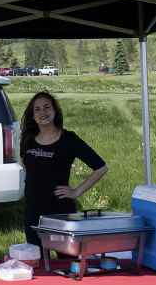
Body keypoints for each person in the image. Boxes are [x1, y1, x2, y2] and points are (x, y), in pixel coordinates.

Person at [19, 91, 108, 254]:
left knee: (66, 262)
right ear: (33, 115)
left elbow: (101, 167)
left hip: (60, 213)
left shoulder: (68, 139)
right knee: (36, 261)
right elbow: (23, 159)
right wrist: (34, 181)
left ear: (55, 111)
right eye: (37, 109)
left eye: (47, 107)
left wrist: (76, 192)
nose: (42, 112)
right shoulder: (27, 136)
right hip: (32, 211)